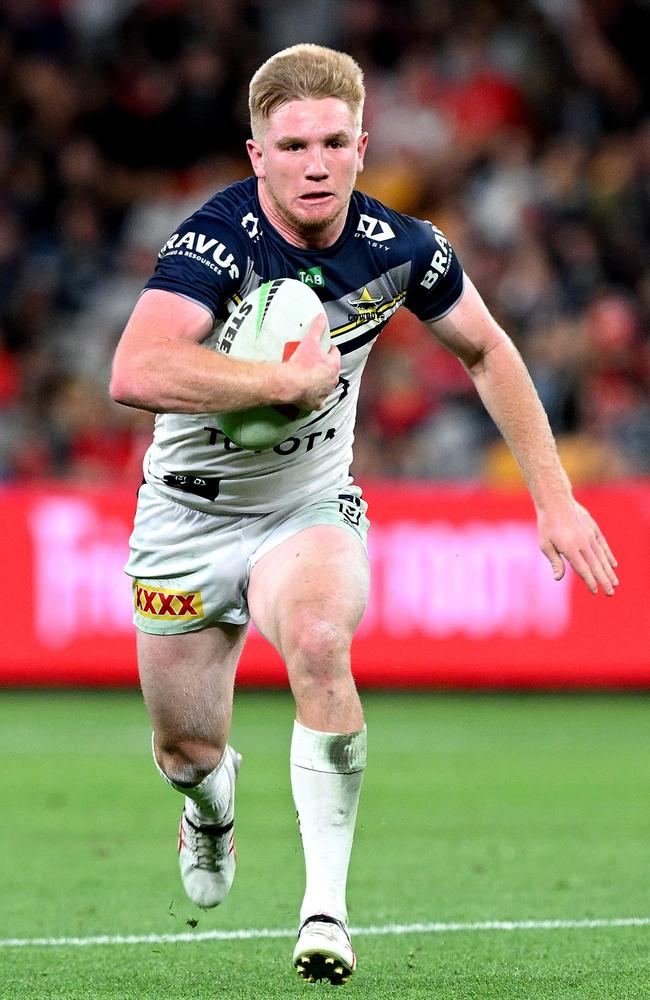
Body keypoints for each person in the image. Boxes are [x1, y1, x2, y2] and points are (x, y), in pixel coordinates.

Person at [109, 43, 619, 984]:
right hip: (184, 520)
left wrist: (554, 496)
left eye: (334, 141)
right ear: (256, 154)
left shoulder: (402, 249)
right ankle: (211, 809)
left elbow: (488, 350)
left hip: (308, 505)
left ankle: (326, 914)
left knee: (317, 637)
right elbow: (135, 371)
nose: (315, 162)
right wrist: (280, 381)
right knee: (187, 749)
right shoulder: (212, 244)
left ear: (362, 145)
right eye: (292, 143)